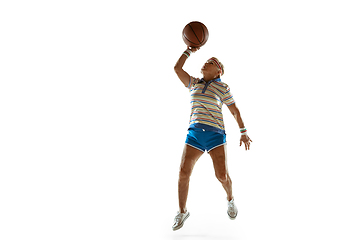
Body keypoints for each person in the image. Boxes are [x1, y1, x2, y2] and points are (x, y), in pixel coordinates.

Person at [172, 47, 252, 231]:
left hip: (216, 135)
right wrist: (188, 51)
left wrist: (243, 131)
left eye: (210, 62)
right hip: (194, 135)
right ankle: (182, 211)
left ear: (218, 71)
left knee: (222, 176)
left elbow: (234, 110)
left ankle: (230, 199)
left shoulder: (223, 87)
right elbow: (177, 69)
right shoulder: (194, 83)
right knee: (183, 173)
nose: (205, 62)